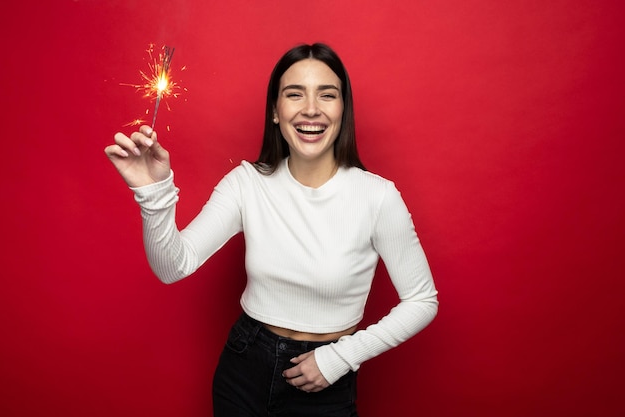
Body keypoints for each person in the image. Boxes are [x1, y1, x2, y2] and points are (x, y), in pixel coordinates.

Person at [105, 43, 438, 417]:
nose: (311, 108)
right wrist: (153, 192)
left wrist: (341, 357)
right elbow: (173, 267)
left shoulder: (377, 196)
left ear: (343, 111)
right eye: (294, 94)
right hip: (245, 367)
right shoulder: (246, 183)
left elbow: (422, 300)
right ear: (276, 112)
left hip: (326, 379)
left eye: (327, 95)